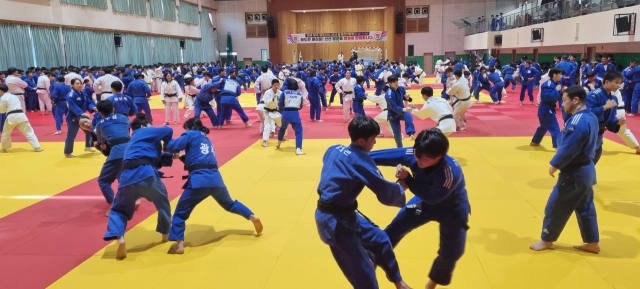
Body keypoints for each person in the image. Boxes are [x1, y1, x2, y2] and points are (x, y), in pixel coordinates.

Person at [315, 115, 411, 289]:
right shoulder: (362, 162)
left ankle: (398, 282)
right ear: (361, 140)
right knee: (366, 279)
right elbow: (386, 193)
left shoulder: (334, 148)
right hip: (334, 222)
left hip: (346, 212)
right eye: (373, 139)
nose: (374, 143)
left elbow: (330, 163)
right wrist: (403, 185)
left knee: (380, 239)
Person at [370, 128, 470, 289]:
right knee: (392, 231)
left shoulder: (451, 172)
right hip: (423, 200)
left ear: (438, 157)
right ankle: (370, 269)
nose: (418, 161)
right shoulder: (417, 153)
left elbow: (432, 197)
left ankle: (430, 285)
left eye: (424, 159)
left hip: (452, 208)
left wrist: (408, 179)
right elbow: (388, 155)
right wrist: (357, 158)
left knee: (452, 252)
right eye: (417, 155)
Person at [165, 118, 263, 254]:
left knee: (180, 213)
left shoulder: (190, 134)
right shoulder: (206, 140)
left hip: (199, 180)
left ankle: (179, 245)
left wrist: (165, 136)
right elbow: (198, 157)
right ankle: (252, 217)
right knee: (230, 204)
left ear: (190, 128)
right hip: (216, 179)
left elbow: (172, 147)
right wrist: (183, 157)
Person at [530, 85, 600, 254]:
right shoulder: (591, 116)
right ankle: (592, 242)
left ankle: (547, 239)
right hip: (587, 170)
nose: (562, 103)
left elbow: (569, 147)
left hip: (574, 173)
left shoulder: (577, 122)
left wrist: (555, 164)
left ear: (576, 100)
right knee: (585, 206)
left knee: (556, 206)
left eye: (564, 100)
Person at [103, 114, 174, 259]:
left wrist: (173, 156)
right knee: (162, 202)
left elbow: (152, 157)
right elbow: (168, 130)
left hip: (126, 178)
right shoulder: (144, 131)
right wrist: (169, 146)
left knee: (118, 210)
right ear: (143, 125)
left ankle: (120, 238)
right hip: (145, 174)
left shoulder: (134, 140)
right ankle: (166, 234)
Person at [93, 100, 133, 215]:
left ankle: (114, 206)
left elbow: (102, 144)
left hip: (118, 152)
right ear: (113, 109)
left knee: (103, 180)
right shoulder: (124, 118)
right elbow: (126, 132)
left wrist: (98, 144)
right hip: (132, 149)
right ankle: (134, 199)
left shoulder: (100, 124)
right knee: (122, 174)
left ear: (100, 112)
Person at [586, 71, 625, 165]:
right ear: (606, 82)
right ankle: (571, 177)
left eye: (620, 83)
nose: (618, 86)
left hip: (599, 133)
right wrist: (604, 107)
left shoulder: (613, 99)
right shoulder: (593, 95)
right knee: (585, 161)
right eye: (616, 82)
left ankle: (578, 178)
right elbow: (585, 113)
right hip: (589, 133)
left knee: (594, 158)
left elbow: (611, 117)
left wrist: (617, 122)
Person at [0, 84, 43, 153]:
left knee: (5, 133)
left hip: (12, 116)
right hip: (21, 115)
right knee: (29, 132)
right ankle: (37, 147)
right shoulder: (14, 96)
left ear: (1, 90)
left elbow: (1, 110)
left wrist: (6, 109)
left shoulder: (3, 98)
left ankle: (4, 149)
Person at [531, 68, 564, 149]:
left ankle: (535, 141)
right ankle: (558, 147)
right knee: (555, 127)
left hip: (546, 108)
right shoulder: (548, 84)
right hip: (546, 108)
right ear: (554, 75)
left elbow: (558, 97)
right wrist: (556, 90)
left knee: (544, 126)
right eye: (559, 74)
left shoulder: (556, 83)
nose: (561, 76)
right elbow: (547, 97)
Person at [64, 78, 96, 158]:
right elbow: (72, 107)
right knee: (71, 135)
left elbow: (88, 103)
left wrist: (93, 108)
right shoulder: (71, 95)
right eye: (77, 83)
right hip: (73, 117)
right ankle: (67, 152)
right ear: (72, 85)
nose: (79, 85)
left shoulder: (84, 93)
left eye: (80, 83)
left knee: (89, 130)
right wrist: (82, 113)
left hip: (83, 116)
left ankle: (88, 146)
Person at [276, 78, 305, 155]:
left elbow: (280, 104)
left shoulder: (284, 93)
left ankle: (279, 142)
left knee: (282, 128)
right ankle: (298, 149)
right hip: (294, 113)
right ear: (296, 86)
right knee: (299, 131)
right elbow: (300, 106)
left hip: (285, 113)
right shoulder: (299, 94)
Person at [386, 75, 416, 148]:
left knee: (408, 116)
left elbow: (405, 98)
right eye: (394, 82)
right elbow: (394, 107)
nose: (396, 83)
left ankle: (410, 133)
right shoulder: (389, 94)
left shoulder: (401, 88)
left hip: (401, 111)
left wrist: (408, 98)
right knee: (397, 134)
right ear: (390, 83)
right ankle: (400, 148)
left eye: (396, 81)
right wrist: (405, 109)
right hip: (392, 114)